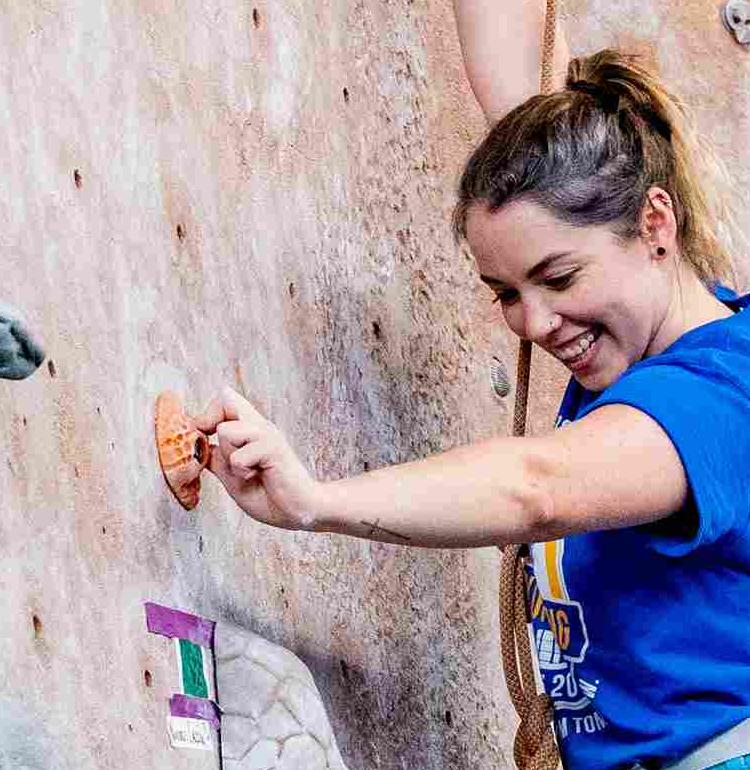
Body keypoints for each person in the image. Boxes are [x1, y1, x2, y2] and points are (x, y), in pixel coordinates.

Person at [194, 2, 750, 768]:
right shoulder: (629, 342)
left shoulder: (726, 388)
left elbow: (536, 488)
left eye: (557, 277)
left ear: (657, 224)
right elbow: (522, 109)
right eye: (507, 292)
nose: (535, 321)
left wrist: (316, 502)